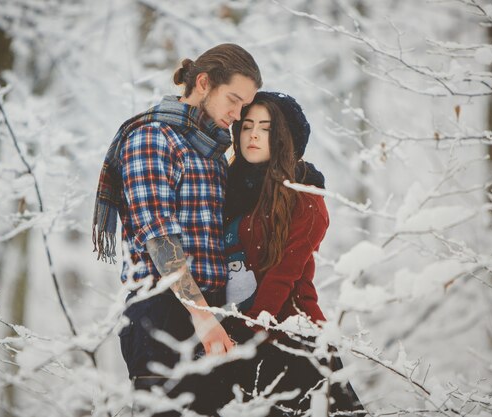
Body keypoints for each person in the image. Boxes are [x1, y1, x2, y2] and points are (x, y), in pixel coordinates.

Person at [92, 44, 261, 415]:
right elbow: (160, 240)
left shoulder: (213, 154)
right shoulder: (151, 138)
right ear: (203, 83)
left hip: (211, 310)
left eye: (244, 106)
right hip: (163, 313)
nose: (237, 114)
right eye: (233, 100)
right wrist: (203, 318)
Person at [222, 91, 365, 416]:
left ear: (284, 137)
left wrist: (251, 333)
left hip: (289, 337)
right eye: (246, 126)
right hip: (236, 338)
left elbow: (282, 276)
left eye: (266, 127)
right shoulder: (228, 188)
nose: (253, 135)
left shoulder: (304, 195)